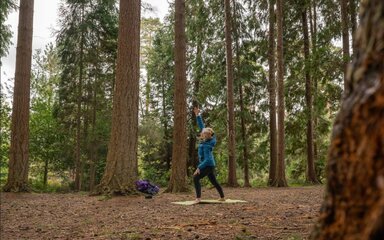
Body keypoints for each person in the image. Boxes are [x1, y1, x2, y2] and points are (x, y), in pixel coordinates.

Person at [193, 107, 225, 203]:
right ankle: (222, 197)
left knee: (196, 177)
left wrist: (199, 167)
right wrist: (197, 115)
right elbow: (202, 126)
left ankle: (198, 199)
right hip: (210, 164)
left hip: (208, 164)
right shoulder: (207, 139)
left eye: (203, 134)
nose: (201, 134)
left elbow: (207, 160)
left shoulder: (207, 145)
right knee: (213, 181)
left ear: (206, 135)